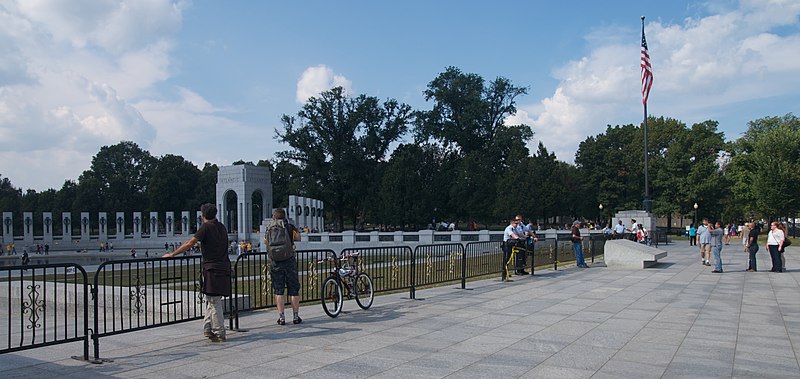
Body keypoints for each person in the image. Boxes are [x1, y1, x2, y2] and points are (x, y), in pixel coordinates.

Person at [163, 203, 231, 342]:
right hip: (223, 267)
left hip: (212, 268)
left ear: (203, 215)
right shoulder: (222, 227)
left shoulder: (206, 227)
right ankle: (207, 327)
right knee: (211, 299)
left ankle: (219, 332)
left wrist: (173, 254)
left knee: (214, 301)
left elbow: (189, 243)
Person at [265, 208, 302, 325]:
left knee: (278, 290)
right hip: (289, 260)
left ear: (273, 218)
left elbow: (266, 242)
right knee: (293, 289)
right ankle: (295, 316)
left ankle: (281, 317)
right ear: (285, 217)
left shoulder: (269, 228)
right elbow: (298, 238)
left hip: (275, 261)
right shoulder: (290, 227)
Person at [502, 217, 524, 281]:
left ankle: (506, 273)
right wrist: (517, 239)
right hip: (506, 245)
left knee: (508, 259)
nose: (517, 224)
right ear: (512, 223)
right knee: (506, 260)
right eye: (515, 223)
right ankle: (504, 275)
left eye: (517, 223)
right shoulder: (509, 228)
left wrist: (526, 237)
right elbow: (513, 235)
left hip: (511, 245)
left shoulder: (515, 228)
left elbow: (519, 234)